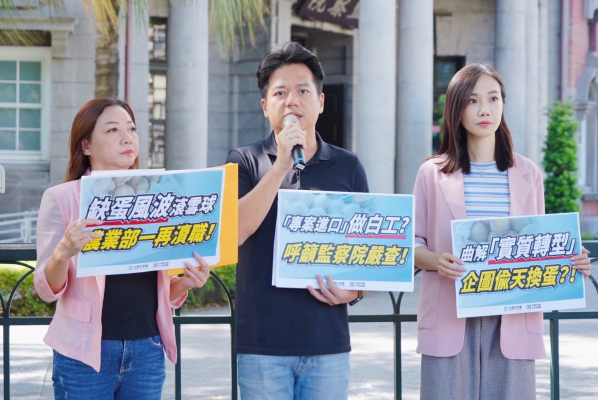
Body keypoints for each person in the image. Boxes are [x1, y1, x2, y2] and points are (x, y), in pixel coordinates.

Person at [412, 63, 593, 399]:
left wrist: (570, 258)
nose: (485, 109)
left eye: (493, 98)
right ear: (456, 109)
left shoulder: (528, 173)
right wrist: (436, 260)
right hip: (449, 313)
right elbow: (412, 244)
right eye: (473, 100)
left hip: (513, 313)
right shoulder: (431, 173)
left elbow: (538, 243)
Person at [34, 98, 211, 399]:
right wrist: (63, 251)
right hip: (83, 353)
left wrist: (186, 282)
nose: (128, 138)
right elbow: (45, 288)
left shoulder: (158, 195)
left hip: (147, 350)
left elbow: (160, 292)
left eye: (132, 129)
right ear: (85, 145)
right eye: (113, 130)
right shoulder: (61, 197)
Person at [225, 41, 368, 399]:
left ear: (320, 102)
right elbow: (234, 231)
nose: (292, 101)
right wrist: (280, 166)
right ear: (265, 106)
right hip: (262, 347)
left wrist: (353, 292)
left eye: (303, 91)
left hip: (328, 344)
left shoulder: (348, 166)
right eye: (280, 93)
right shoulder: (243, 161)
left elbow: (366, 249)